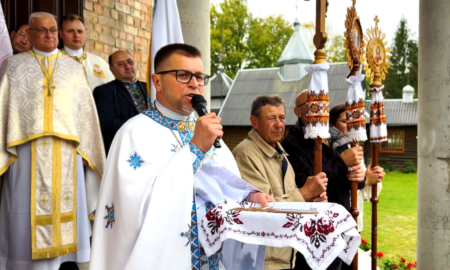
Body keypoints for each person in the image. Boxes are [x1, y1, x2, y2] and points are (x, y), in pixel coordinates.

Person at [90, 43, 275, 270]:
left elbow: (222, 183)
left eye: (198, 76)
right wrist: (195, 149)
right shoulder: (134, 132)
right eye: (183, 75)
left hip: (213, 259)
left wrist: (249, 196)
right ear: (157, 81)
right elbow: (134, 208)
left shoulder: (206, 128)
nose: (194, 84)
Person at [0, 12, 105, 270]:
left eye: (52, 29)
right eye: (41, 30)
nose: (48, 34)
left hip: (67, 153)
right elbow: (3, 111)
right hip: (25, 152)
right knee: (22, 208)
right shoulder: (13, 66)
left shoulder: (73, 67)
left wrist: (87, 150)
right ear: (30, 33)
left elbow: (85, 114)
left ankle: (62, 262)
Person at [232, 95, 328, 270]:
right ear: (254, 121)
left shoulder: (280, 153)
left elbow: (286, 197)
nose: (279, 124)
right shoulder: (245, 154)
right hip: (262, 261)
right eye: (271, 118)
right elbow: (263, 209)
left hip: (284, 256)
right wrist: (304, 193)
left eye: (282, 118)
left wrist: (310, 201)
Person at [281, 90, 366, 270]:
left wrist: (360, 178)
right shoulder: (292, 142)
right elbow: (304, 179)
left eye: (324, 106)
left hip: (342, 220)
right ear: (298, 112)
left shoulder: (337, 137)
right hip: (316, 228)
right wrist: (342, 162)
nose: (321, 110)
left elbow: (351, 179)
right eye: (313, 106)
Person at [329, 103, 385, 232]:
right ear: (332, 124)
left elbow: (365, 191)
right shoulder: (333, 149)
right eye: (344, 121)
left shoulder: (354, 148)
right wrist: (367, 180)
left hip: (355, 213)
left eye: (353, 122)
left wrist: (374, 175)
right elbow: (344, 183)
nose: (350, 126)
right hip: (340, 215)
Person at [92, 50, 149, 155]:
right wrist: (142, 129)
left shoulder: (150, 89)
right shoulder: (104, 91)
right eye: (121, 64)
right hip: (124, 152)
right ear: (111, 69)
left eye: (130, 62)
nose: (127, 66)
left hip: (153, 149)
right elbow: (107, 124)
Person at [59, 14, 114, 91]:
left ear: (85, 34)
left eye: (80, 31)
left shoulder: (100, 63)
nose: (76, 35)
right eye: (70, 31)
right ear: (61, 34)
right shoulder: (52, 60)